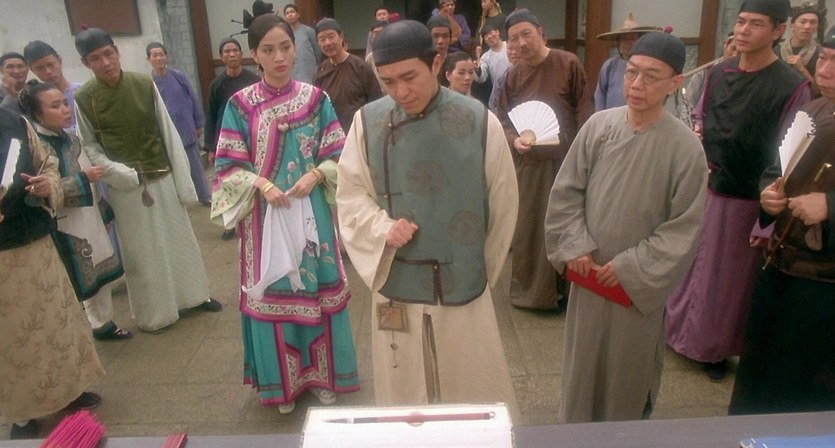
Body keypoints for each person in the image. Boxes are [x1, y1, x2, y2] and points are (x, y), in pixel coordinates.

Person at [336, 20, 520, 418]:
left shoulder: (478, 120)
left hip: (463, 273)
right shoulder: (367, 122)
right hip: (397, 272)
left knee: (471, 385)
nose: (400, 92)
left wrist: (479, 267)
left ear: (436, 63)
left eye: (409, 77)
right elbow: (350, 195)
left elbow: (503, 203)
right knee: (404, 391)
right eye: (387, 82)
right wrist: (382, 227)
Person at [545, 32, 708, 423]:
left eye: (651, 76)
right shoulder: (598, 127)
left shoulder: (686, 148)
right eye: (632, 72)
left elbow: (683, 229)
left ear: (675, 83)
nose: (636, 84)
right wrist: (574, 244)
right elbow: (567, 192)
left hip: (634, 290)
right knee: (581, 372)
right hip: (589, 276)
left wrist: (630, 266)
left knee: (626, 376)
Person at [211, 14, 359, 414]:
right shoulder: (240, 105)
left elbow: (339, 154)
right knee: (274, 290)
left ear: (296, 49)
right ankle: (282, 384)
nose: (279, 57)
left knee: (319, 289)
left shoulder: (316, 100)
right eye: (268, 50)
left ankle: (323, 378)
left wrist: (317, 174)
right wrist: (262, 184)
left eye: (285, 47)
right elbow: (226, 168)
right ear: (254, 55)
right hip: (263, 218)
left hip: (311, 212)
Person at [666, 0, 812, 381]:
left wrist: (769, 207)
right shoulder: (719, 72)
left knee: (725, 280)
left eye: (756, 24)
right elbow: (699, 114)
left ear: (778, 30)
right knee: (687, 264)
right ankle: (673, 332)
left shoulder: (792, 86)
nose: (744, 30)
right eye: (741, 21)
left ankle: (712, 348)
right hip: (705, 185)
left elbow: (789, 150)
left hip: (746, 195)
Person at [74, 28, 221, 333]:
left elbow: (167, 132)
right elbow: (89, 146)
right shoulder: (84, 98)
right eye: (95, 58)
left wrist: (184, 184)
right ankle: (156, 314)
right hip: (125, 189)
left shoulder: (143, 84)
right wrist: (117, 172)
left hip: (161, 176)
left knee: (180, 241)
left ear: (117, 52)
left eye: (108, 54)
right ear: (85, 63)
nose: (105, 62)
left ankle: (195, 296)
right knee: (142, 254)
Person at [728, 24, 835, 416]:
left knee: (802, 391)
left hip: (823, 284)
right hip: (780, 264)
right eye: (824, 57)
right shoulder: (814, 109)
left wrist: (830, 206)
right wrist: (769, 195)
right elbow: (778, 168)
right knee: (760, 377)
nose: (824, 69)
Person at [0, 106, 104, 439]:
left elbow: (47, 164)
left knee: (57, 321)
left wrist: (48, 184)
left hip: (36, 242)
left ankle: (70, 391)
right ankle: (23, 413)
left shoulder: (13, 122)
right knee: (13, 337)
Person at [497, 9, 594, 311]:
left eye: (526, 34)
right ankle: (533, 294)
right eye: (514, 38)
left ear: (541, 33)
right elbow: (502, 120)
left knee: (568, 224)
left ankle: (568, 292)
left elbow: (585, 112)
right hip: (531, 165)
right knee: (531, 228)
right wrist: (514, 139)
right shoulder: (512, 76)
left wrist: (585, 156)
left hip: (568, 161)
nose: (521, 43)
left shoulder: (568, 63)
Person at [20, 80, 131, 341]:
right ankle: (77, 331)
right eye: (55, 106)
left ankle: (103, 324)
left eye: (64, 103)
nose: (65, 109)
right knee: (73, 280)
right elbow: (36, 193)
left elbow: (93, 184)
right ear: (37, 114)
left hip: (89, 217)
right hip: (62, 224)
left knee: (100, 274)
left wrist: (103, 212)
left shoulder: (72, 139)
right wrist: (82, 179)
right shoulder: (34, 148)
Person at [205, 37, 261, 240]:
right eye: (227, 51)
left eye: (235, 50)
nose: (231, 54)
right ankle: (229, 224)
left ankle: (253, 217)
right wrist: (210, 147)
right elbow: (211, 116)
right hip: (225, 141)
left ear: (242, 54)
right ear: (221, 57)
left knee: (249, 178)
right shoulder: (216, 85)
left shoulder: (254, 81)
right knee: (226, 182)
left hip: (250, 137)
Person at [146, 42, 211, 206]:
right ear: (148, 59)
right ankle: (180, 200)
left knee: (195, 166)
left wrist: (198, 123)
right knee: (173, 169)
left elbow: (193, 98)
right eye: (155, 55)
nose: (159, 58)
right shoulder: (148, 83)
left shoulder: (178, 76)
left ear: (166, 57)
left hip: (186, 128)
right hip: (166, 134)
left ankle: (205, 196)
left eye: (161, 54)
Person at [314, 18, 382, 133]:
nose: (327, 43)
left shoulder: (360, 66)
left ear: (341, 37)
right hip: (332, 134)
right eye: (322, 39)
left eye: (331, 37)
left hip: (359, 131)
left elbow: (376, 101)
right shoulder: (320, 71)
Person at [594, 13, 662, 111]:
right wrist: (601, 117)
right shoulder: (610, 65)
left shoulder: (648, 65)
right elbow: (600, 95)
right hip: (611, 118)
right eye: (625, 39)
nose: (629, 43)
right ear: (619, 42)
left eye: (632, 38)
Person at [23, 41, 82, 130]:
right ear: (31, 70)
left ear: (60, 61)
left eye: (51, 65)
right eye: (40, 68)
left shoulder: (82, 91)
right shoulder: (35, 101)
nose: (48, 71)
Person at [775, 2, 822, 94]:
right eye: (803, 22)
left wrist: (802, 69)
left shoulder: (820, 53)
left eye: (813, 23)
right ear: (792, 25)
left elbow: (818, 91)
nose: (807, 27)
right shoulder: (776, 49)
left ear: (817, 27)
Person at [473, 22, 513, 104]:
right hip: (501, 92)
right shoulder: (485, 57)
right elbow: (481, 78)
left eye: (491, 33)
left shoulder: (511, 46)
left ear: (498, 32)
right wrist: (477, 70)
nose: (489, 37)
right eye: (486, 36)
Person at [284, 4, 322, 84]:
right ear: (285, 18)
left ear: (298, 15)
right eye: (287, 13)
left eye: (292, 12)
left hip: (310, 74)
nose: (290, 14)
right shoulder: (285, 35)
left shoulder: (309, 31)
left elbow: (318, 52)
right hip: (293, 75)